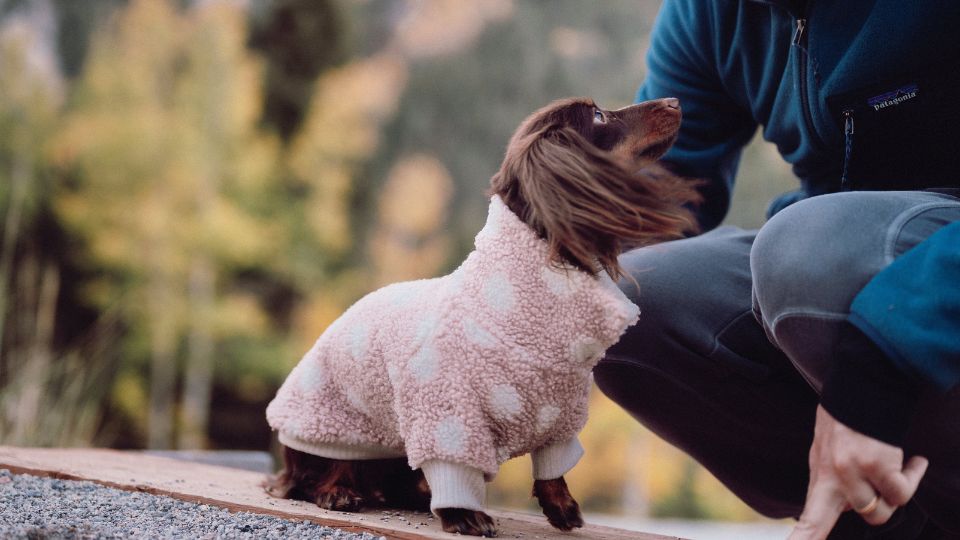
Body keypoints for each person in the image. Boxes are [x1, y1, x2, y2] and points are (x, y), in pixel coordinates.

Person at [593, 1, 960, 538]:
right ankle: (878, 519)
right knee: (618, 304)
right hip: (830, 254)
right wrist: (519, 302)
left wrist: (885, 353)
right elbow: (659, 194)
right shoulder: (707, 11)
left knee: (805, 258)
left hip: (924, 264)